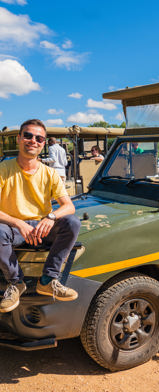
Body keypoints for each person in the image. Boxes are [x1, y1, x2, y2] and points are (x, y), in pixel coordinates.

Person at [0, 119, 81, 313]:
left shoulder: (49, 173)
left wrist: (50, 217)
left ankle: (48, 280)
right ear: (19, 138)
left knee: (72, 222)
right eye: (28, 135)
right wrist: (19, 223)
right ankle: (16, 282)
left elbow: (68, 206)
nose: (33, 141)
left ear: (44, 143)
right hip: (13, 229)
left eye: (39, 138)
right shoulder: (3, 170)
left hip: (41, 228)